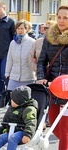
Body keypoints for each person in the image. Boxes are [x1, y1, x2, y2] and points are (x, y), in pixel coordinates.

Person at [36, 5, 68, 150]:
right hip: (53, 89)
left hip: (67, 89)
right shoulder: (49, 37)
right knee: (54, 125)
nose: (61, 21)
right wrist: (41, 77)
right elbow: (42, 60)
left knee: (64, 131)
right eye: (59, 17)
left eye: (65, 18)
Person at [0, 85, 38, 150]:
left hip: (22, 131)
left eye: (13, 100)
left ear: (19, 101)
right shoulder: (12, 107)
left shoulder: (29, 109)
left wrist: (27, 135)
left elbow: (31, 123)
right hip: (11, 130)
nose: (11, 101)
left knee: (13, 138)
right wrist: (3, 127)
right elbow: (6, 119)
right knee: (2, 137)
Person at [5, 20, 36, 91]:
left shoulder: (32, 42)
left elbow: (36, 59)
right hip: (14, 77)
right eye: (18, 28)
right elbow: (9, 59)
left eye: (22, 28)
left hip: (28, 77)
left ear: (27, 29)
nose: (20, 30)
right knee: (11, 96)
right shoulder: (13, 43)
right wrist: (7, 73)